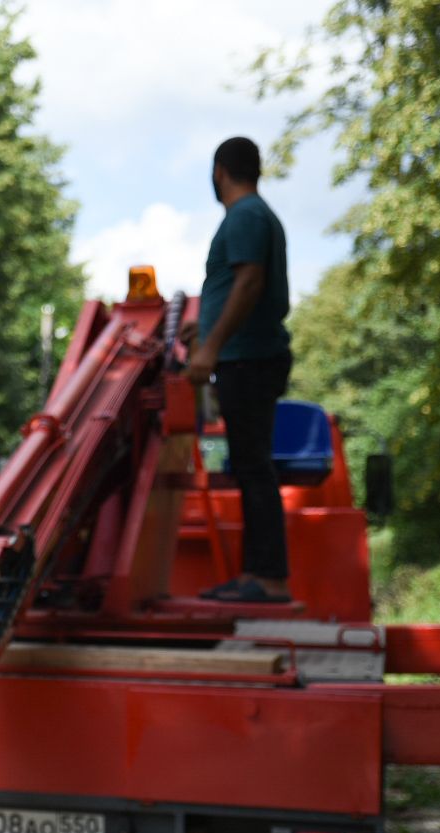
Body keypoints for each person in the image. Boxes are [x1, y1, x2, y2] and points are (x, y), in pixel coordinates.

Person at [181, 136, 293, 603]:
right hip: (246, 356)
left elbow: (248, 282)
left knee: (252, 466)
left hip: (246, 359)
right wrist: (201, 334)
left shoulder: (245, 215)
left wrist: (210, 348)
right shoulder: (257, 215)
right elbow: (240, 287)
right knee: (250, 465)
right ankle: (260, 575)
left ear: (220, 171)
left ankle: (265, 578)